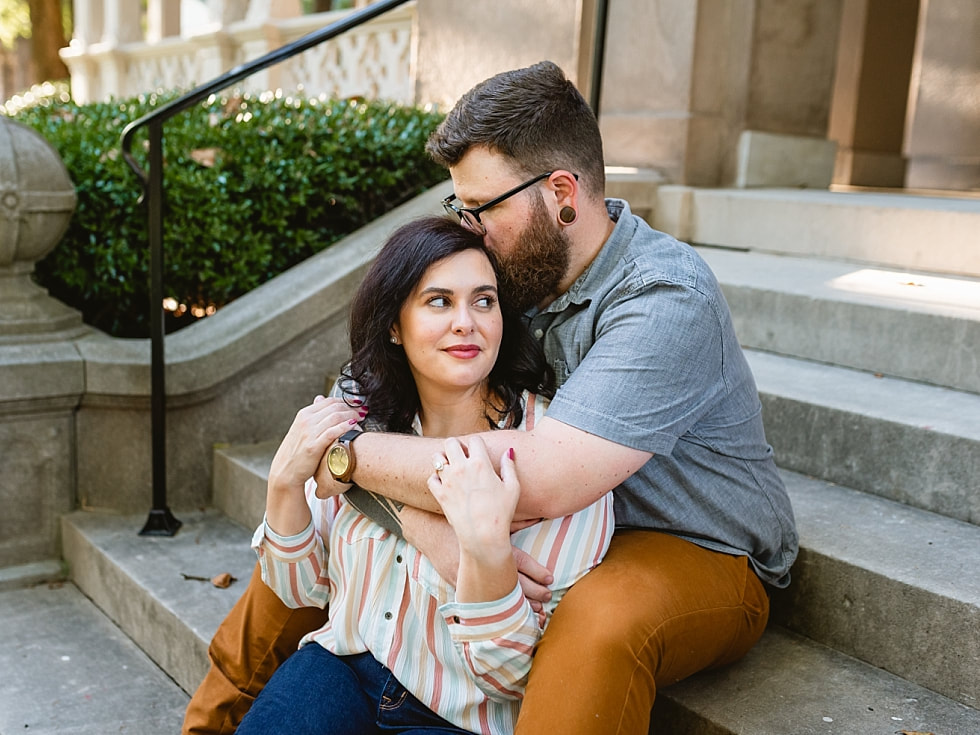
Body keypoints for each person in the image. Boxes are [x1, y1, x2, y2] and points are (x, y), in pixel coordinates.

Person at [184, 60, 798, 735]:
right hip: (534, 514)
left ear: (561, 193)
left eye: (480, 208)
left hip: (689, 543)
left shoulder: (664, 295)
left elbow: (533, 477)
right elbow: (357, 401)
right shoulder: (515, 264)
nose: (469, 228)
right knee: (290, 565)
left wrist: (349, 458)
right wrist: (418, 523)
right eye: (460, 208)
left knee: (597, 623)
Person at [236, 216, 613, 735]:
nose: (466, 322)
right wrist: (283, 484)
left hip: (461, 712)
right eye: (439, 301)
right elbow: (301, 588)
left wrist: (484, 557)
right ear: (394, 324)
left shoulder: (551, 450)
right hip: (340, 667)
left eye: (484, 301)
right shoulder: (359, 421)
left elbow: (513, 677)